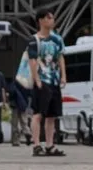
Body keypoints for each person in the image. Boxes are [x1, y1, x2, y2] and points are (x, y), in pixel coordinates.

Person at [28, 8, 68, 157]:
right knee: (38, 114)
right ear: (41, 20)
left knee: (52, 115)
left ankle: (50, 145)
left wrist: (63, 75)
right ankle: (36, 145)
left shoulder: (57, 39)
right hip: (42, 81)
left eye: (52, 18)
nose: (52, 21)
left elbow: (60, 57)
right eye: (49, 18)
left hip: (54, 80)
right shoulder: (34, 40)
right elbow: (32, 61)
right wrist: (36, 79)